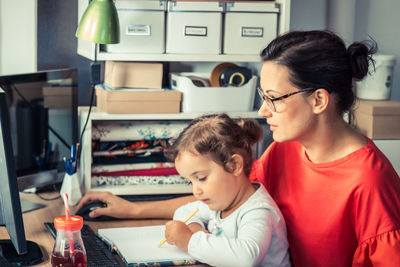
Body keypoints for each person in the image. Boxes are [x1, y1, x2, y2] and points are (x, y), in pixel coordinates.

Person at [77, 30, 400, 266]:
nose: (263, 111)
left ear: (318, 100)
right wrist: (130, 209)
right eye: (263, 96)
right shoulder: (285, 150)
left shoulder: (370, 182)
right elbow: (224, 196)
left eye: (274, 98)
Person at [162, 113, 290, 266]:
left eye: (201, 178)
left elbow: (246, 258)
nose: (196, 191)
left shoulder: (259, 211)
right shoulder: (221, 201)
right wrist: (195, 228)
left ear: (234, 165)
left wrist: (190, 241)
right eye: (190, 181)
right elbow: (183, 212)